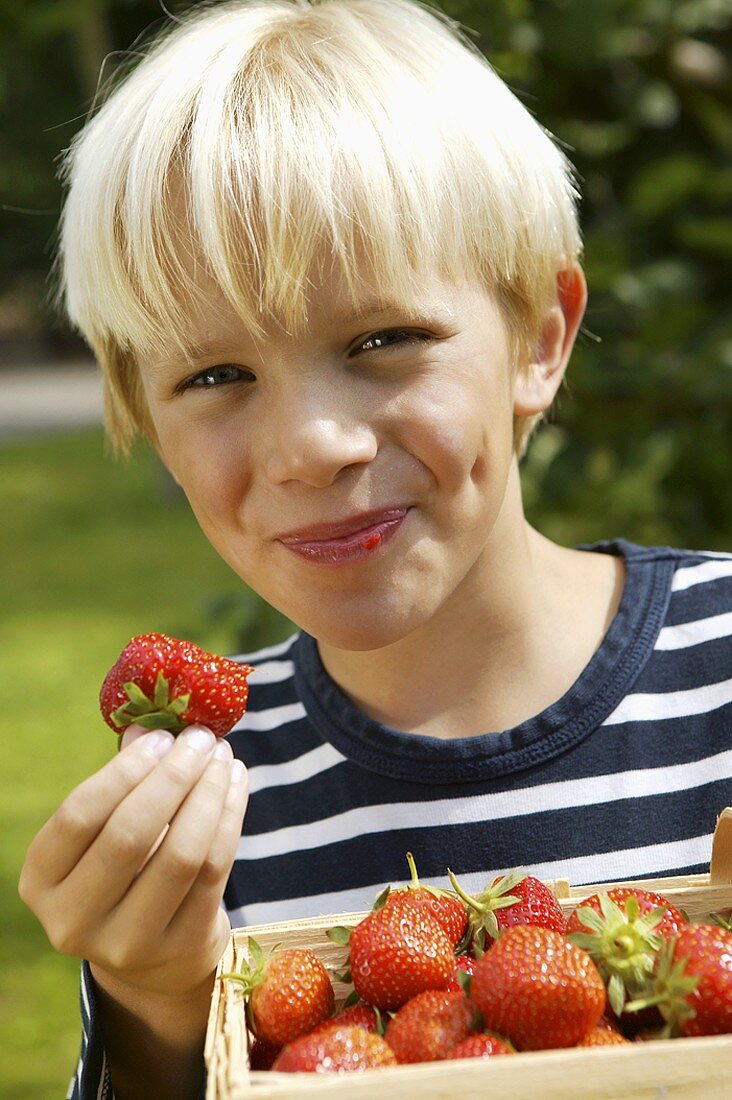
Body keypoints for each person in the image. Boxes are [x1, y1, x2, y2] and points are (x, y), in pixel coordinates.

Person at [18, 0, 732, 1097]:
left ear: (541, 333)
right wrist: (156, 1003)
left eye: (381, 340)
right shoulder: (208, 802)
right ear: (143, 415)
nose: (310, 446)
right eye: (214, 377)